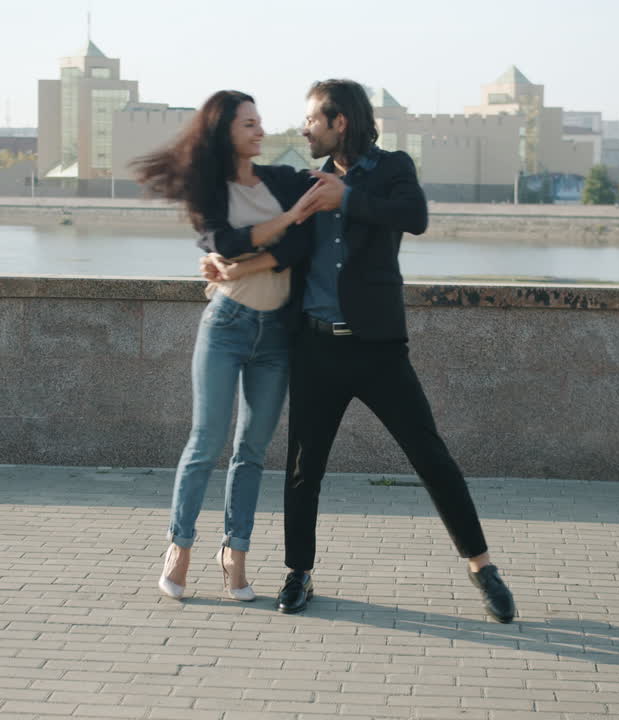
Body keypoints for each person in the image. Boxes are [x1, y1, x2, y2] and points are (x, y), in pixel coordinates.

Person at [203, 79, 517, 623]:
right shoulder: (299, 179)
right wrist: (224, 259)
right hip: (316, 349)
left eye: (311, 121)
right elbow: (251, 212)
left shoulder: (393, 169)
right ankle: (298, 572)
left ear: (339, 122)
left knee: (432, 459)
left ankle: (482, 568)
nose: (303, 129)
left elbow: (415, 217)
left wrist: (344, 198)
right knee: (304, 468)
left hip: (379, 350)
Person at [133, 90, 313, 602]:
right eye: (248, 124)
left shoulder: (280, 179)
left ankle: (234, 554)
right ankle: (180, 548)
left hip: (276, 332)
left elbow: (302, 245)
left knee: (251, 449)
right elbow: (223, 242)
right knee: (205, 443)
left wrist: (248, 261)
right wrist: (287, 220)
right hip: (228, 324)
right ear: (224, 131)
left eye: (260, 122)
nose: (260, 131)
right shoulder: (210, 191)